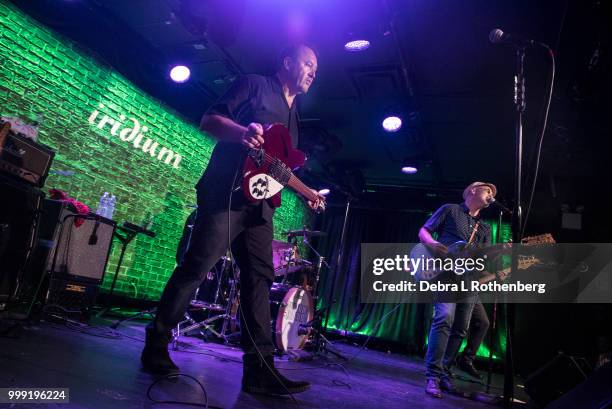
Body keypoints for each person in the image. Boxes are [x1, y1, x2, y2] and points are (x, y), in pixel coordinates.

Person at [141, 44, 322, 396]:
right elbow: (209, 119)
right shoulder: (254, 85)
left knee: (259, 280)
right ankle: (156, 345)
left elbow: (278, 168)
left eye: (316, 67)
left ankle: (260, 370)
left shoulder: (295, 115)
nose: (313, 71)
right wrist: (241, 133)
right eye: (308, 63)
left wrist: (308, 192)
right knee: (196, 267)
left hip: (260, 210)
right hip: (227, 195)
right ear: (287, 62)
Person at [419, 181, 496, 398]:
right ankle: (432, 375)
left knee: (461, 327)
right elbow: (424, 231)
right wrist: (433, 244)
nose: (492, 194)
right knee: (444, 317)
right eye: (488, 190)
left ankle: (444, 372)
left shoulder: (485, 227)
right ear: (473, 190)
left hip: (468, 280)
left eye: (493, 193)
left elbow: (483, 258)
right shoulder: (450, 209)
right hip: (445, 274)